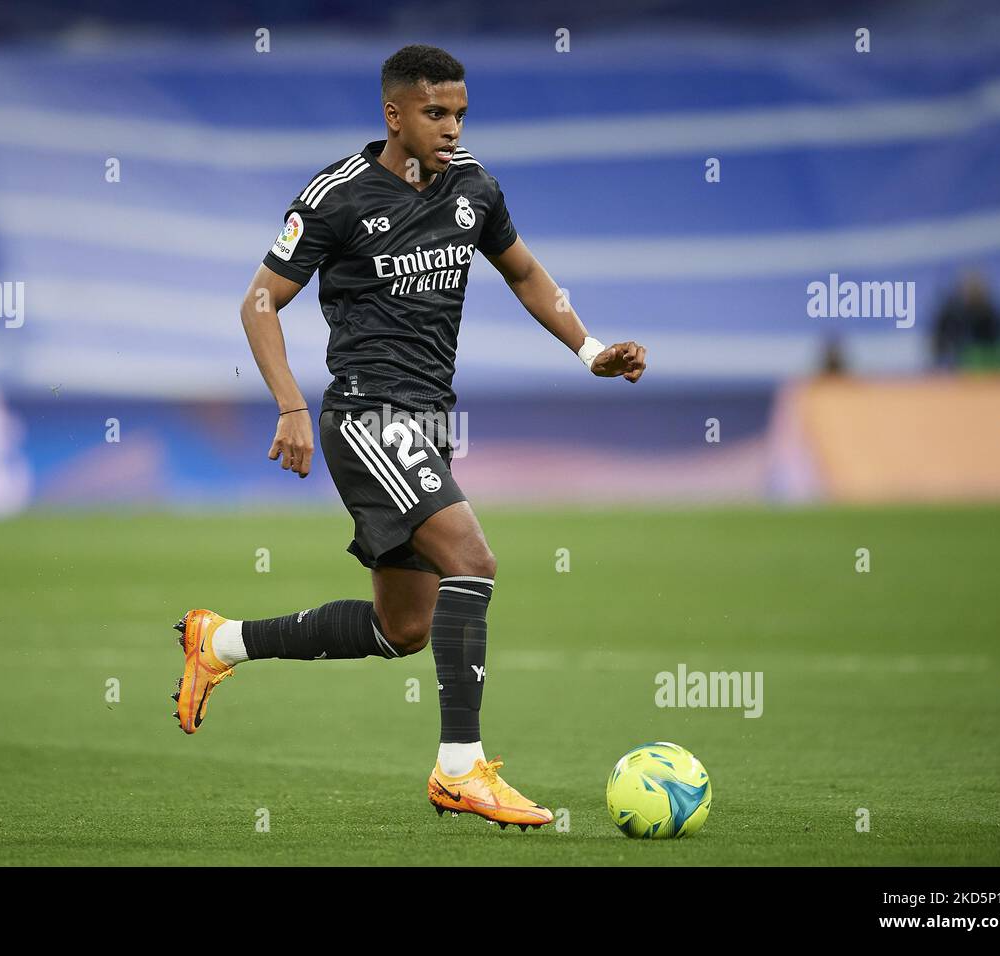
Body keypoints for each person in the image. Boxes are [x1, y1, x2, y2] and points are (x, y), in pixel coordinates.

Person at [172, 44, 646, 830]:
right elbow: (260, 303)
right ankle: (460, 769)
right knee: (475, 559)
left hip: (428, 420)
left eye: (460, 113)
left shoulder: (474, 188)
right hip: (364, 414)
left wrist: (590, 349)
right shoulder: (339, 195)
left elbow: (524, 272)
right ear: (394, 114)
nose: (451, 128)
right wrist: (290, 405)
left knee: (404, 628)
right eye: (435, 113)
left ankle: (219, 643)